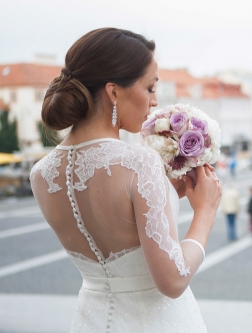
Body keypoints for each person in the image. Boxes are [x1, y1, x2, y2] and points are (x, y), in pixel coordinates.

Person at [30, 28, 221, 332]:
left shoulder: (41, 173)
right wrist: (206, 212)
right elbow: (172, 280)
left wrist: (166, 193)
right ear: (114, 91)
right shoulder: (139, 162)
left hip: (90, 320)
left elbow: (112, 225)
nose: (155, 101)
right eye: (150, 88)